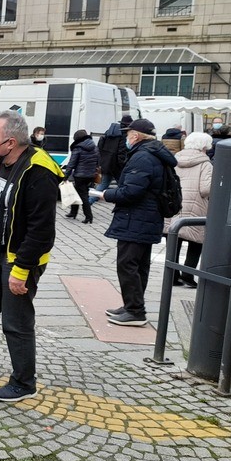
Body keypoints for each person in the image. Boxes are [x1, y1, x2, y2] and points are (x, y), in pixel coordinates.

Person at [0, 111, 62, 401]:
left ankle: (24, 382)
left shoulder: (38, 171)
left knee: (15, 322)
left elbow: (41, 230)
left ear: (10, 142)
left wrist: (21, 269)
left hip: (18, 259)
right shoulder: (3, 162)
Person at [90, 118, 177, 327]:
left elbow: (132, 191)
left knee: (128, 264)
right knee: (139, 265)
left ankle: (135, 311)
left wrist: (105, 195)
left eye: (127, 135)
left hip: (136, 218)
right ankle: (132, 305)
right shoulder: (153, 153)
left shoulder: (143, 157)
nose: (125, 138)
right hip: (145, 217)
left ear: (135, 136)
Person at [167, 131, 213, 288]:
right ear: (204, 147)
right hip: (196, 205)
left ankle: (173, 276)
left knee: (174, 240)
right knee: (196, 241)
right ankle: (187, 275)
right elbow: (206, 189)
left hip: (175, 204)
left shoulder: (175, 159)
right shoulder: (205, 164)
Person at [62, 129, 98, 223]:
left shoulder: (78, 148)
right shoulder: (94, 146)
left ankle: (89, 217)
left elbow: (72, 163)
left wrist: (65, 176)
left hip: (80, 175)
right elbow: (98, 161)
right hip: (91, 175)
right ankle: (73, 212)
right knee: (76, 192)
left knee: (83, 196)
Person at [92, 114, 131, 200]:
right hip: (116, 166)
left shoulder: (109, 132)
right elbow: (121, 153)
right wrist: (123, 166)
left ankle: (89, 201)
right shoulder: (123, 135)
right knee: (122, 185)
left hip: (106, 163)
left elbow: (100, 146)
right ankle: (122, 203)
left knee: (103, 185)